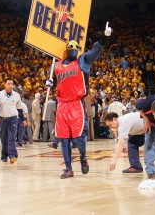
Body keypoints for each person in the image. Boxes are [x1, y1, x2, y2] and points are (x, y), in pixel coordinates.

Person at [46, 22, 112, 178]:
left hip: (76, 103)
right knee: (63, 138)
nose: (75, 49)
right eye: (72, 47)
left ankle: (83, 157)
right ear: (67, 50)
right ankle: (68, 168)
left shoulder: (82, 61)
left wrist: (104, 38)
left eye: (76, 47)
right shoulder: (57, 66)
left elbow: (95, 51)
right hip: (62, 104)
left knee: (79, 137)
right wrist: (50, 83)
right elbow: (54, 83)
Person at [0, 78, 26, 163]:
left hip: (13, 118)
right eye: (9, 84)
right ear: (5, 84)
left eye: (12, 84)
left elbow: (19, 109)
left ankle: (12, 156)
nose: (10, 85)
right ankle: (4, 155)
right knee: (4, 138)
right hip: (2, 119)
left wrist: (23, 119)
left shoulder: (16, 95)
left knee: (12, 137)